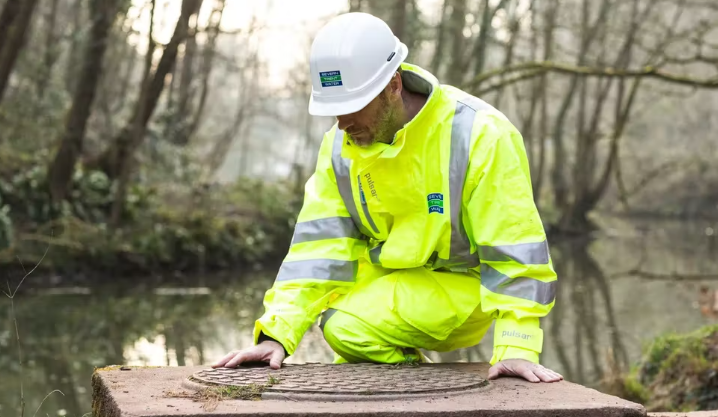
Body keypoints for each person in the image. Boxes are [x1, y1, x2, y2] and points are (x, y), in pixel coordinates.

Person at [213, 12, 562, 383]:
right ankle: (414, 383)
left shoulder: (480, 134)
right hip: (391, 282)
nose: (342, 124)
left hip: (468, 288)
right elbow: (317, 249)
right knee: (347, 334)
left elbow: (515, 249)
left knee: (344, 328)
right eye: (334, 111)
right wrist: (276, 334)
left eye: (353, 106)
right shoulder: (339, 148)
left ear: (393, 85)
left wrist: (517, 347)